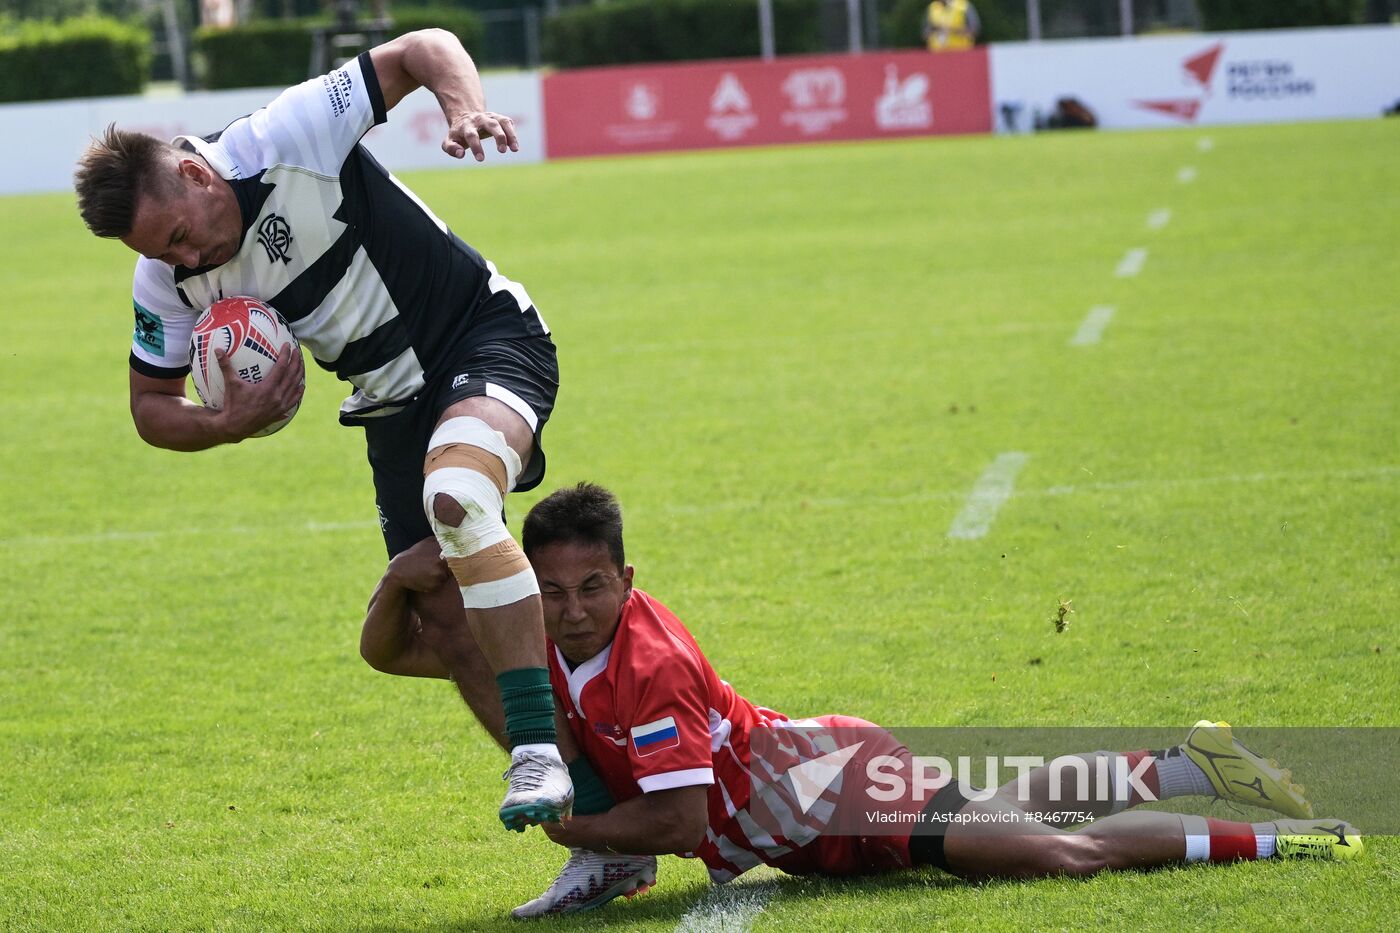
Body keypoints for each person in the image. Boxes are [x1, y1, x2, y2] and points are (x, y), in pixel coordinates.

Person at [362, 484, 1363, 917]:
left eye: (593, 589)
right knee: (1010, 802)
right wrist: (407, 578)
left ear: (628, 581)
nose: (571, 610)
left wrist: (566, 824)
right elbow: (401, 651)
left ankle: (1290, 837)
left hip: (834, 795)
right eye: (551, 591)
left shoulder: (651, 667)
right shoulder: (537, 626)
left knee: (1058, 854)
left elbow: (673, 825)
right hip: (811, 799)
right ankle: (1196, 763)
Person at [72, 28, 575, 830]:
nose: (184, 258)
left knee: (455, 493)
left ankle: (546, 745)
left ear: (197, 174)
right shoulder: (166, 279)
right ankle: (596, 836)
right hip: (389, 404)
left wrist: (465, 109)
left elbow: (424, 47)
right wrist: (224, 423)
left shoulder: (290, 132)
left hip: (485, 335)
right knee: (443, 620)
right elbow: (149, 408)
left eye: (179, 235)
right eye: (162, 254)